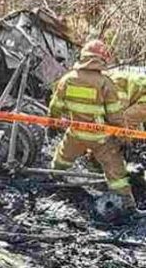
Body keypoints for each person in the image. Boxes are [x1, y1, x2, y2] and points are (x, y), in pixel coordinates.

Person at [49, 40, 145, 217]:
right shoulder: (105, 83)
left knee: (62, 157)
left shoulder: (67, 79)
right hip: (99, 138)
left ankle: (53, 180)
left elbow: (56, 105)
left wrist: (52, 123)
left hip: (75, 134)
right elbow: (115, 117)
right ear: (102, 58)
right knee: (117, 173)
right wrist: (124, 139)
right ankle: (129, 207)